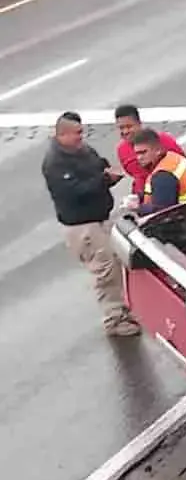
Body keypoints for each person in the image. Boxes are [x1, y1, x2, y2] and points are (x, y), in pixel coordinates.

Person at [41, 111, 141, 337]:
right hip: (83, 227)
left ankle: (122, 311)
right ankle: (114, 320)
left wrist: (107, 171)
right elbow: (74, 192)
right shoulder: (55, 163)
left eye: (81, 131)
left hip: (99, 220)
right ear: (62, 135)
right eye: (76, 133)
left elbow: (98, 165)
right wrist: (104, 180)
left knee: (115, 266)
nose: (81, 136)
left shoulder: (82, 151)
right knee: (105, 272)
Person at [114, 104, 186, 197]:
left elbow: (184, 165)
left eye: (129, 127)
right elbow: (137, 176)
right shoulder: (122, 150)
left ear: (139, 123)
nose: (125, 131)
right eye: (121, 128)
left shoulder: (163, 140)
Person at [131, 128, 186, 216]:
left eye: (143, 152)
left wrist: (137, 208)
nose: (139, 158)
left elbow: (162, 213)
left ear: (158, 150)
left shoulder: (162, 176)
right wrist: (139, 197)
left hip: (184, 221)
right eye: (137, 153)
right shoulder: (172, 158)